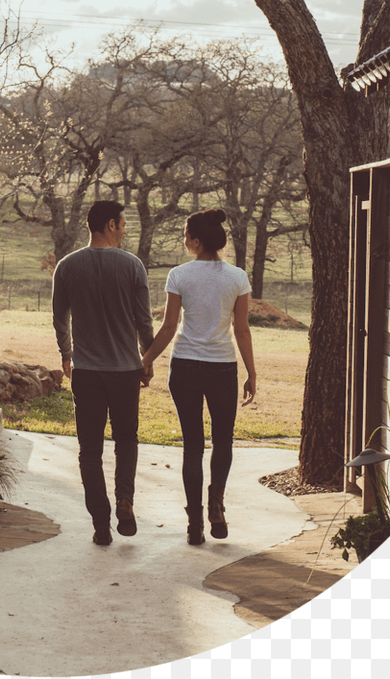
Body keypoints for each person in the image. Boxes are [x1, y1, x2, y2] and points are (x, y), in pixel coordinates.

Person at [141, 209, 256, 545]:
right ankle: (216, 505)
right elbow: (242, 329)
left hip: (186, 367)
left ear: (196, 241)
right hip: (223, 368)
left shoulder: (179, 275)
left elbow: (169, 327)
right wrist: (251, 372)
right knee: (223, 441)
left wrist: (145, 360)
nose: (183, 240)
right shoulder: (237, 277)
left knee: (192, 446)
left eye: (185, 235)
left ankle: (194, 523)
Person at [52, 200, 155, 545]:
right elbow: (144, 321)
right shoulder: (132, 266)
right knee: (126, 438)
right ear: (110, 225)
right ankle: (125, 498)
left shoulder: (67, 266)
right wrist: (148, 358)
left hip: (87, 372)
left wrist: (66, 355)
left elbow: (59, 317)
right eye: (123, 224)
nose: (125, 230)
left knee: (90, 449)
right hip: (125, 370)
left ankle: (100, 522)